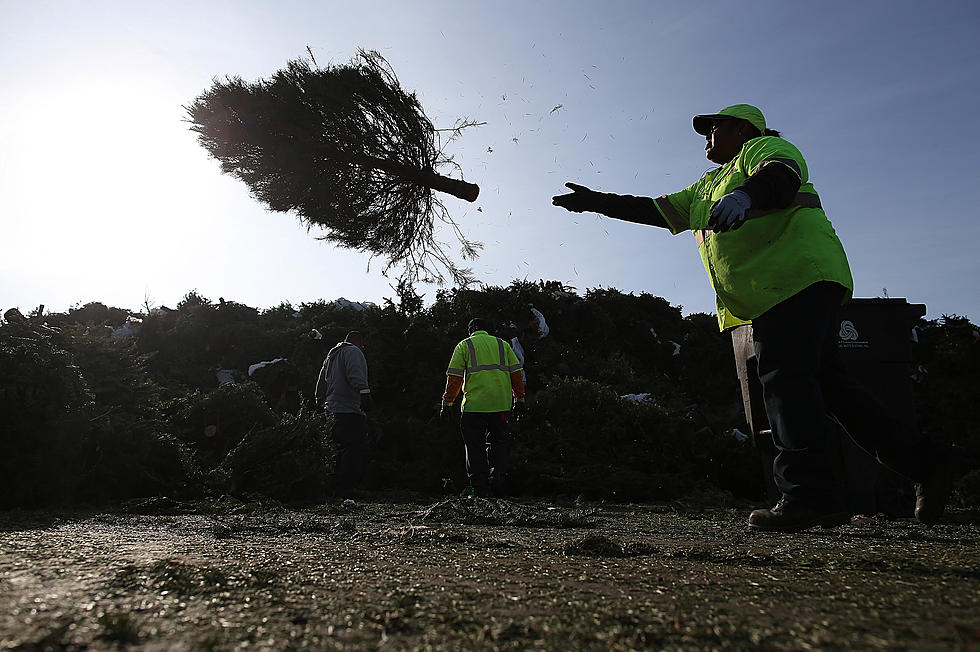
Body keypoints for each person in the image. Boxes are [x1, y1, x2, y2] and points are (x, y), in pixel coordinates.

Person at [553, 103, 960, 532]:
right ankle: (929, 462)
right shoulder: (707, 186)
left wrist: (746, 195)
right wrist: (596, 202)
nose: (707, 137)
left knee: (784, 379)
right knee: (834, 392)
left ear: (741, 129)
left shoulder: (764, 149)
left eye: (714, 128)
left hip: (795, 278)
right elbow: (658, 211)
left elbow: (782, 177)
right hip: (782, 289)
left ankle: (810, 496)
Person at [440, 318, 526, 497]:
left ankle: (480, 489)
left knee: (475, 447)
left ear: (470, 330)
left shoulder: (464, 346)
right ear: (488, 330)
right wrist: (519, 400)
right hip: (501, 405)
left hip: (474, 407)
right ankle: (498, 483)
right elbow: (517, 375)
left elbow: (454, 378)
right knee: (498, 444)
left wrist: (447, 403)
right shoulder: (503, 345)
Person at [315, 330, 374, 497]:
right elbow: (355, 373)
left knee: (336, 448)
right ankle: (347, 488)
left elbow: (321, 380)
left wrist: (320, 400)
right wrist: (365, 393)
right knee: (354, 447)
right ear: (359, 341)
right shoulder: (353, 351)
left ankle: (332, 486)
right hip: (349, 408)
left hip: (332, 409)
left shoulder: (332, 355)